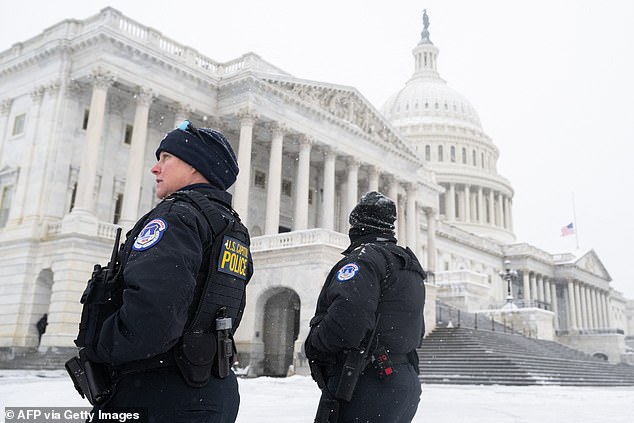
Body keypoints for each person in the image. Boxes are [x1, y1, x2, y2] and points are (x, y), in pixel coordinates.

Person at [80, 120, 253, 422]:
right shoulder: (233, 229)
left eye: (165, 158)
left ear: (195, 166)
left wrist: (98, 347)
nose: (155, 168)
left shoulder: (177, 217)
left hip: (157, 389)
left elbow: (152, 317)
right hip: (211, 387)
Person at [305, 191, 426, 423]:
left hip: (366, 379)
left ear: (357, 224)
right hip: (403, 379)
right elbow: (416, 329)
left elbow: (347, 321)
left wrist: (314, 344)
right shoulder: (409, 265)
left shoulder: (364, 259)